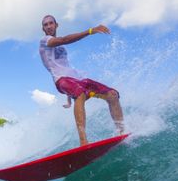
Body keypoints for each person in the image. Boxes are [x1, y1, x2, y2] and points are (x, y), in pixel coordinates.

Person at [39, 15, 124, 146]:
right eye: (46, 25)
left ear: (57, 25)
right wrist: (90, 31)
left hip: (76, 79)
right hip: (61, 80)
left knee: (113, 95)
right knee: (80, 93)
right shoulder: (45, 41)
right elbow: (65, 39)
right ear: (43, 29)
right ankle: (83, 141)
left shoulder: (62, 49)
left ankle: (121, 133)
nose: (49, 26)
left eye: (51, 23)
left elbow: (65, 67)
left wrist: (68, 95)